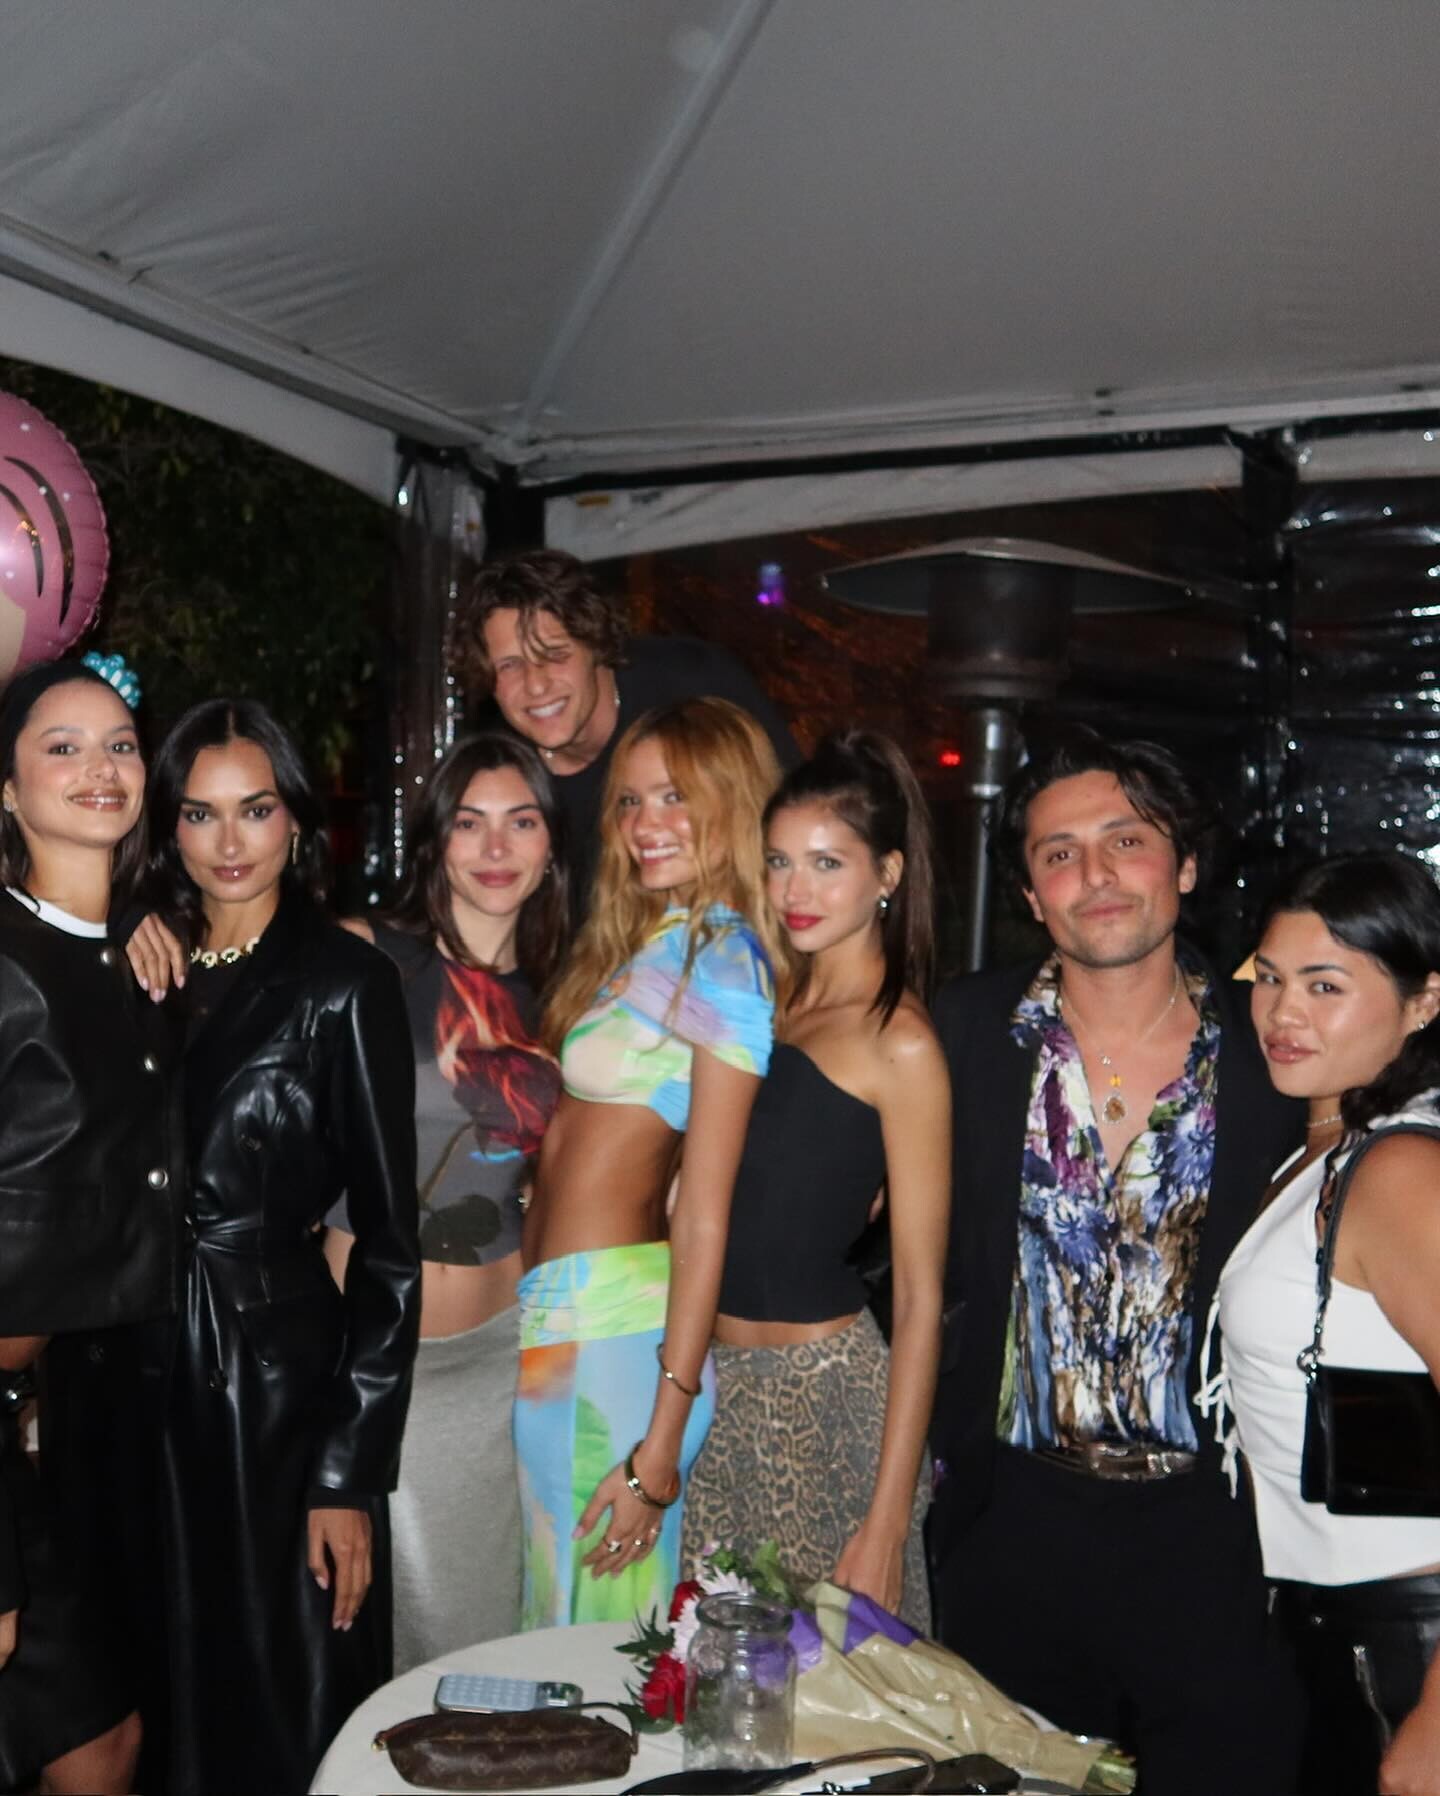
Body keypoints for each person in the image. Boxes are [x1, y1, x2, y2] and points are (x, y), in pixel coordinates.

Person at [927, 727, 1304, 1796]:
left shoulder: (1277, 1048)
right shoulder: (963, 1032)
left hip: (1218, 1535)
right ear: (1030, 894)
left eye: (1126, 840)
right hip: (1013, 1525)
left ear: (1184, 865)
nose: (1094, 873)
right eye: (1059, 853)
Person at [58, 698, 420, 1794]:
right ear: (165, 824)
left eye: (255, 809)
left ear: (295, 819)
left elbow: (389, 1245)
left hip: (272, 1393)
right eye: (200, 813)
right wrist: (118, 930)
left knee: (279, 1697)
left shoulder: (343, 983)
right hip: (119, 1374)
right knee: (145, 1690)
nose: (229, 841)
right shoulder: (134, 965)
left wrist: (347, 1470)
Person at [516, 697, 784, 1628]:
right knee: (557, 1627)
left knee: (594, 1648)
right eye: (629, 802)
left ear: (732, 803)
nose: (644, 823)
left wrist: (660, 1445)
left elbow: (704, 1210)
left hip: (621, 1345)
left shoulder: (725, 961)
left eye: (675, 797)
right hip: (564, 1328)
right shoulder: (663, 943)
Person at [683, 730, 949, 1629]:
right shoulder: (765, 1001)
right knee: (716, 1684)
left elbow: (920, 1297)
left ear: (888, 874)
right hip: (720, 1396)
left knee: (834, 1693)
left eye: (827, 864)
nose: (796, 890)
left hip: (829, 1401)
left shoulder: (900, 1040)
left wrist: (888, 1517)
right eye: (779, 862)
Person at [324, 732, 567, 1669]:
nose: (496, 848)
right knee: (423, 1638)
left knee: (500, 1629)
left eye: (521, 822)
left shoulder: (565, 993)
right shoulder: (368, 957)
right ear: (436, 839)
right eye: (471, 823)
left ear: (551, 844)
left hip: (516, 1358)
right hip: (388, 1361)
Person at [1215, 851, 1440, 1796]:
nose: (1282, 1012)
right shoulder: (1332, 1148)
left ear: (1425, 1001)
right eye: (1268, 978)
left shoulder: (1400, 1173)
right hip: (1332, 1630)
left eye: (1325, 986)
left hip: (1408, 1639)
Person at [0, 659, 180, 1796]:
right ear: (6, 789)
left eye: (118, 743)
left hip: (63, 1428)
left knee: (102, 1743)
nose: (99, 766)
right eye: (60, 747)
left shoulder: (133, 956)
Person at [456, 548, 796, 906]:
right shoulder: (498, 773)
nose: (536, 685)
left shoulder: (695, 683)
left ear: (596, 645)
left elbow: (792, 817)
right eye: (510, 665)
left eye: (554, 654)